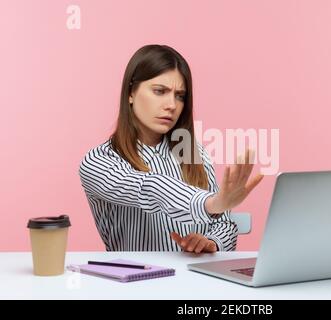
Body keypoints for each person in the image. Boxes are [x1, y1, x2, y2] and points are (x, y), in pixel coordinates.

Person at [79, 44, 263, 253]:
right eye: (159, 91)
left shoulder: (193, 154)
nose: (172, 105)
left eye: (180, 96)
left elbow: (225, 225)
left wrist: (211, 242)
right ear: (131, 93)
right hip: (138, 283)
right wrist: (211, 204)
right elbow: (148, 188)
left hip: (198, 282)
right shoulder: (98, 161)